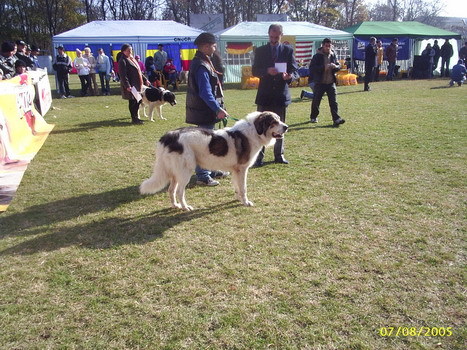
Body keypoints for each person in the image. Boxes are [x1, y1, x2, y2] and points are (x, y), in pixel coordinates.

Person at [186, 32, 229, 186]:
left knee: (211, 143)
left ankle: (211, 169)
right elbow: (205, 92)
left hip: (206, 111)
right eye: (213, 45)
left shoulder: (204, 61)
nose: (215, 47)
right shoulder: (201, 65)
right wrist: (217, 109)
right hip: (203, 111)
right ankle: (203, 176)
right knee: (203, 145)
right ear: (205, 46)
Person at [252, 23, 298, 166]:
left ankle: (279, 155)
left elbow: (295, 71)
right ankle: (259, 157)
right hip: (265, 96)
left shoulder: (288, 51)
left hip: (280, 96)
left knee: (280, 127)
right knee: (260, 128)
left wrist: (288, 77)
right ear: (268, 35)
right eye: (271, 36)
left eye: (276, 37)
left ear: (281, 35)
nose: (273, 39)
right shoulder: (260, 51)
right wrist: (266, 71)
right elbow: (254, 71)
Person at [309, 38, 345, 127]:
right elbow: (312, 68)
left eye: (329, 46)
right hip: (320, 82)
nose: (328, 48)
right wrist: (323, 67)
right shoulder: (317, 56)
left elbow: (339, 66)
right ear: (323, 45)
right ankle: (313, 116)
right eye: (326, 46)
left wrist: (335, 66)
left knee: (334, 102)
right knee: (316, 101)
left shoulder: (333, 55)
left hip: (331, 82)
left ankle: (336, 119)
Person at [118, 43, 149, 125]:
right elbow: (123, 75)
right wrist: (127, 86)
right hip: (131, 85)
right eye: (128, 51)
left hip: (138, 84)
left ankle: (136, 117)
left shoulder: (131, 58)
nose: (130, 52)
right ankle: (134, 118)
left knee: (138, 101)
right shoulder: (123, 61)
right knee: (133, 102)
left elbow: (138, 71)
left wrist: (145, 79)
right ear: (124, 51)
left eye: (131, 50)